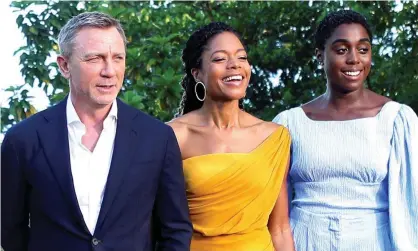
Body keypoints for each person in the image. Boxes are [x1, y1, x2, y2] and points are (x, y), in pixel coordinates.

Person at [1, 11, 192, 251]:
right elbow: (10, 230)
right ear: (64, 65)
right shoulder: (22, 139)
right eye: (95, 58)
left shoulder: (157, 138)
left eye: (118, 58)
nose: (110, 71)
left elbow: (175, 230)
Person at [273, 10, 418, 250]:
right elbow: (275, 209)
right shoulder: (289, 124)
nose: (354, 59)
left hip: (374, 242)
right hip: (305, 241)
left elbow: (412, 202)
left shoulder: (396, 120)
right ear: (320, 56)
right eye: (341, 50)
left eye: (363, 49)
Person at [167, 22, 295, 251]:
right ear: (197, 74)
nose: (234, 65)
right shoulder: (172, 136)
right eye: (219, 59)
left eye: (242, 58)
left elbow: (280, 228)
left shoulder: (275, 138)